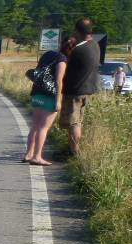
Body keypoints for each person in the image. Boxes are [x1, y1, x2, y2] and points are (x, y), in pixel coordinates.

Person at [23, 38, 70, 165]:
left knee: (35, 126)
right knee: (43, 128)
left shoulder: (48, 54)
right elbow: (58, 81)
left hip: (37, 92)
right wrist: (58, 100)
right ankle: (37, 156)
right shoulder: (62, 60)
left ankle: (28, 154)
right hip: (49, 95)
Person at [60, 18, 101, 156]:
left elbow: (62, 61)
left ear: (77, 31)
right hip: (87, 89)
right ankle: (71, 148)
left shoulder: (78, 50)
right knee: (78, 121)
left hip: (74, 90)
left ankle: (74, 152)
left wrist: (67, 45)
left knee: (73, 124)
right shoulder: (95, 45)